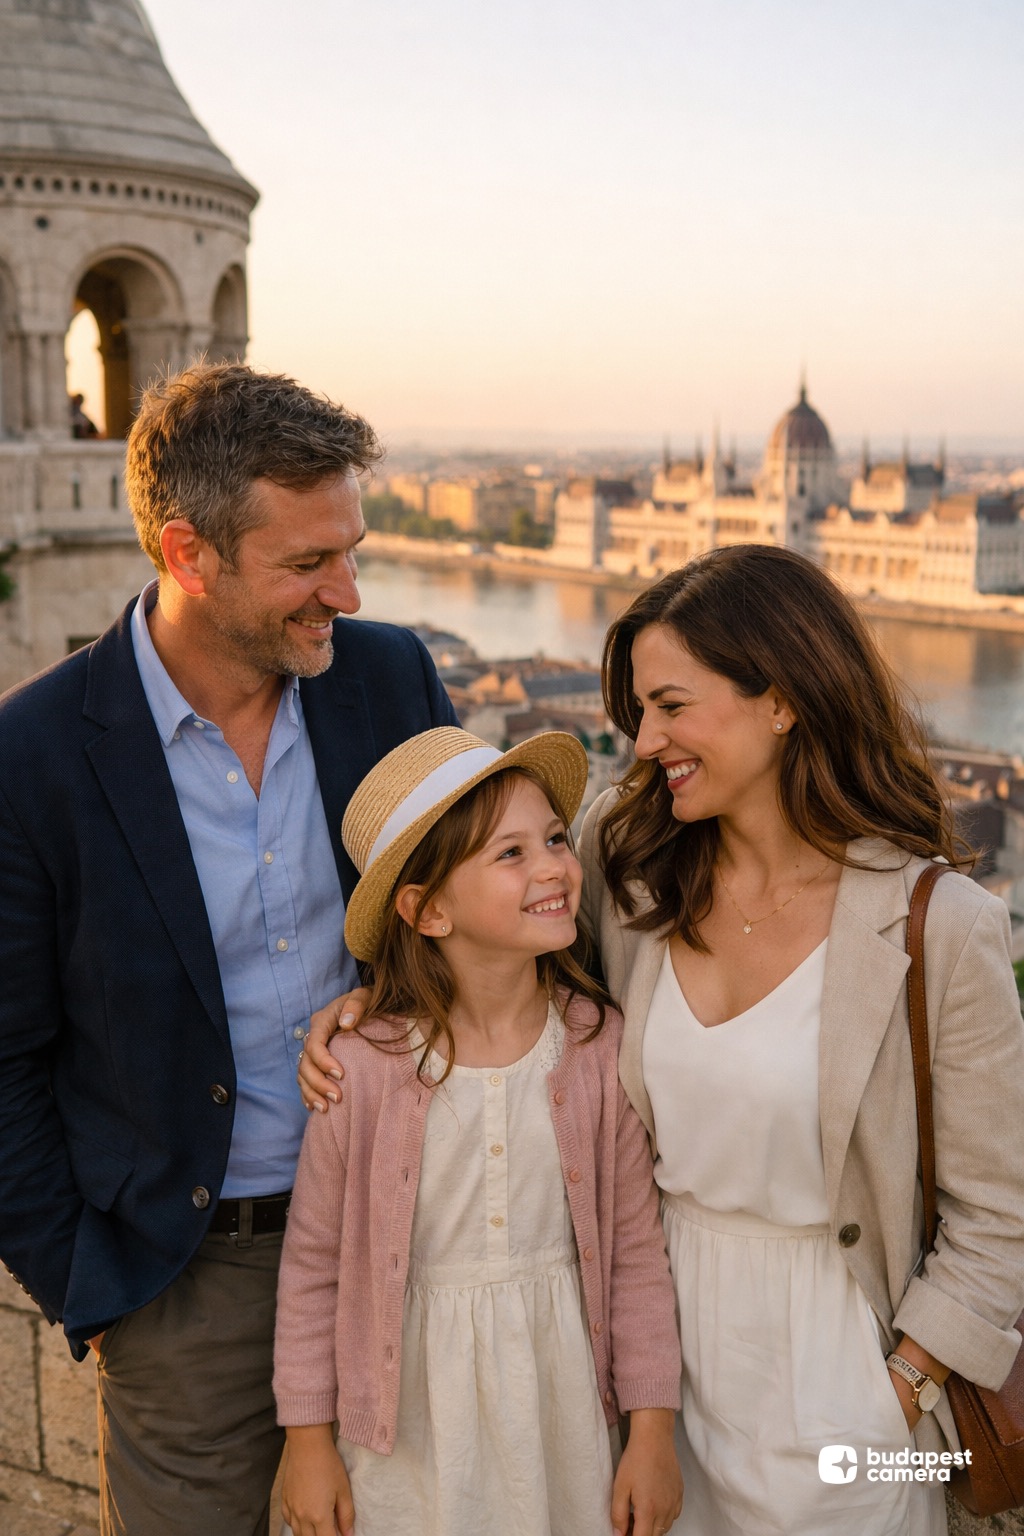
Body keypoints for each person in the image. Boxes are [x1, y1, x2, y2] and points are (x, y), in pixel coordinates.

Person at [301, 545, 1024, 1535]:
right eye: (638, 711)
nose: (644, 741)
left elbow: (998, 1217)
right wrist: (372, 1010)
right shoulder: (620, 863)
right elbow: (491, 960)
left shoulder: (940, 926)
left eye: (671, 706)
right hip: (647, 1373)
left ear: (782, 698)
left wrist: (892, 1387)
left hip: (840, 1368)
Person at [0, 360, 458, 1536]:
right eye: (307, 564)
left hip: (407, 1237)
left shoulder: (392, 678)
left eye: (351, 549)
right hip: (189, 1280)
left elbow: (470, 915)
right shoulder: (35, 754)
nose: (346, 593)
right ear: (187, 552)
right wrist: (97, 1291)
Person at [274, 726, 683, 1536]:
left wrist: (653, 1432)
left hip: (559, 1412)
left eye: (557, 840)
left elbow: (637, 1255)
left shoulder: (599, 1047)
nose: (554, 868)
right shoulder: (360, 1070)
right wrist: (307, 1441)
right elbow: (314, 1269)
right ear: (425, 909)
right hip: (406, 1434)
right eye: (509, 854)